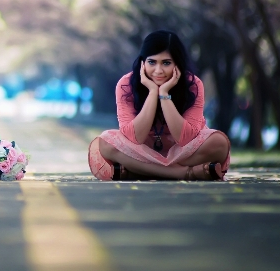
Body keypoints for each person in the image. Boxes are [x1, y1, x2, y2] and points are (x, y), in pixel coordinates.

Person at [88, 30, 230, 181]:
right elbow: (134, 137)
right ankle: (184, 173)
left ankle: (138, 172)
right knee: (106, 143)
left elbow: (185, 139)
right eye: (152, 62)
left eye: (166, 63)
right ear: (143, 62)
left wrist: (164, 94)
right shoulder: (126, 85)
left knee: (219, 143)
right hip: (141, 151)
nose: (158, 71)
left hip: (183, 152)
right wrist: (152, 92)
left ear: (177, 63)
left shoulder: (193, 85)